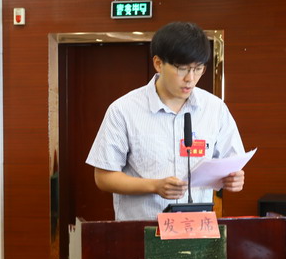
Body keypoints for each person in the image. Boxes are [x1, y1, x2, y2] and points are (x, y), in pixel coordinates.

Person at [86, 21, 246, 221]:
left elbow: (231, 164)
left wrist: (234, 179)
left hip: (195, 228)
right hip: (142, 229)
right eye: (182, 69)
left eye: (198, 69)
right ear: (158, 63)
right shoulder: (123, 110)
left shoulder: (215, 109)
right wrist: (154, 186)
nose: (190, 78)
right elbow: (103, 177)